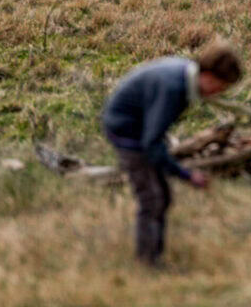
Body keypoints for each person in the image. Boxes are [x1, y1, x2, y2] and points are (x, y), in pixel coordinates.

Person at [101, 41, 242, 266]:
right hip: (127, 134)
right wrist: (186, 175)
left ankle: (154, 256)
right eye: (221, 86)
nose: (219, 93)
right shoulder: (173, 88)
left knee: (162, 196)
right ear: (208, 74)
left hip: (138, 132)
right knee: (152, 198)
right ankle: (147, 263)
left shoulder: (184, 76)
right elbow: (152, 142)